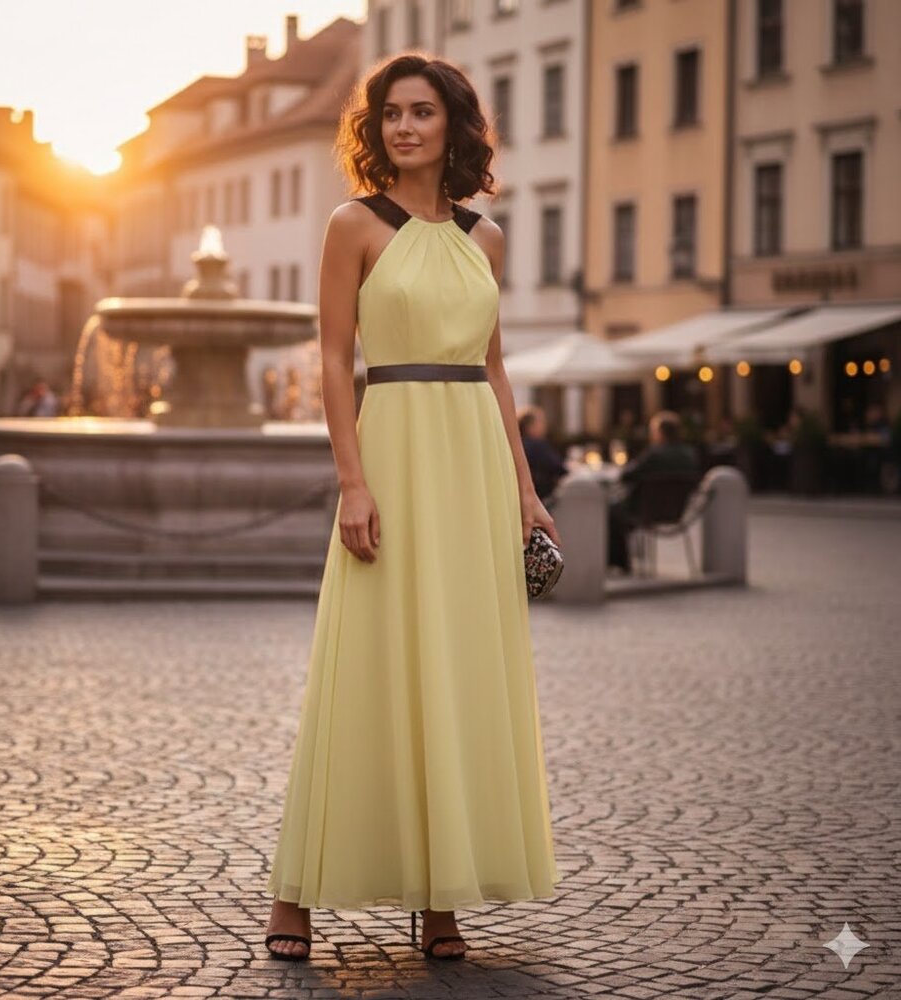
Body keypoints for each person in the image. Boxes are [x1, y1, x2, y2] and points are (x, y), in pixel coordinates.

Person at [264, 53, 563, 962]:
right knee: (366, 660)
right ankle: (295, 898)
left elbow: (496, 365)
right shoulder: (352, 225)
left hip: (471, 457)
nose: (404, 128)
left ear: (453, 126)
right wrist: (353, 481)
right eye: (391, 113)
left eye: (422, 112)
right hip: (392, 445)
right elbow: (329, 360)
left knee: (459, 666)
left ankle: (442, 900)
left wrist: (524, 487)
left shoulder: (489, 237)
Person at [607, 410, 699, 574]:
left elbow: (627, 475)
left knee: (610, 510)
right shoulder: (689, 454)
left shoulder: (655, 454)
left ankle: (620, 562)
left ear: (661, 433)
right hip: (676, 511)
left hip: (645, 510)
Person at [518, 405, 568, 503]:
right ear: (530, 426)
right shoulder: (537, 446)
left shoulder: (519, 444)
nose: (545, 426)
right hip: (542, 499)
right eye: (541, 422)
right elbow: (560, 468)